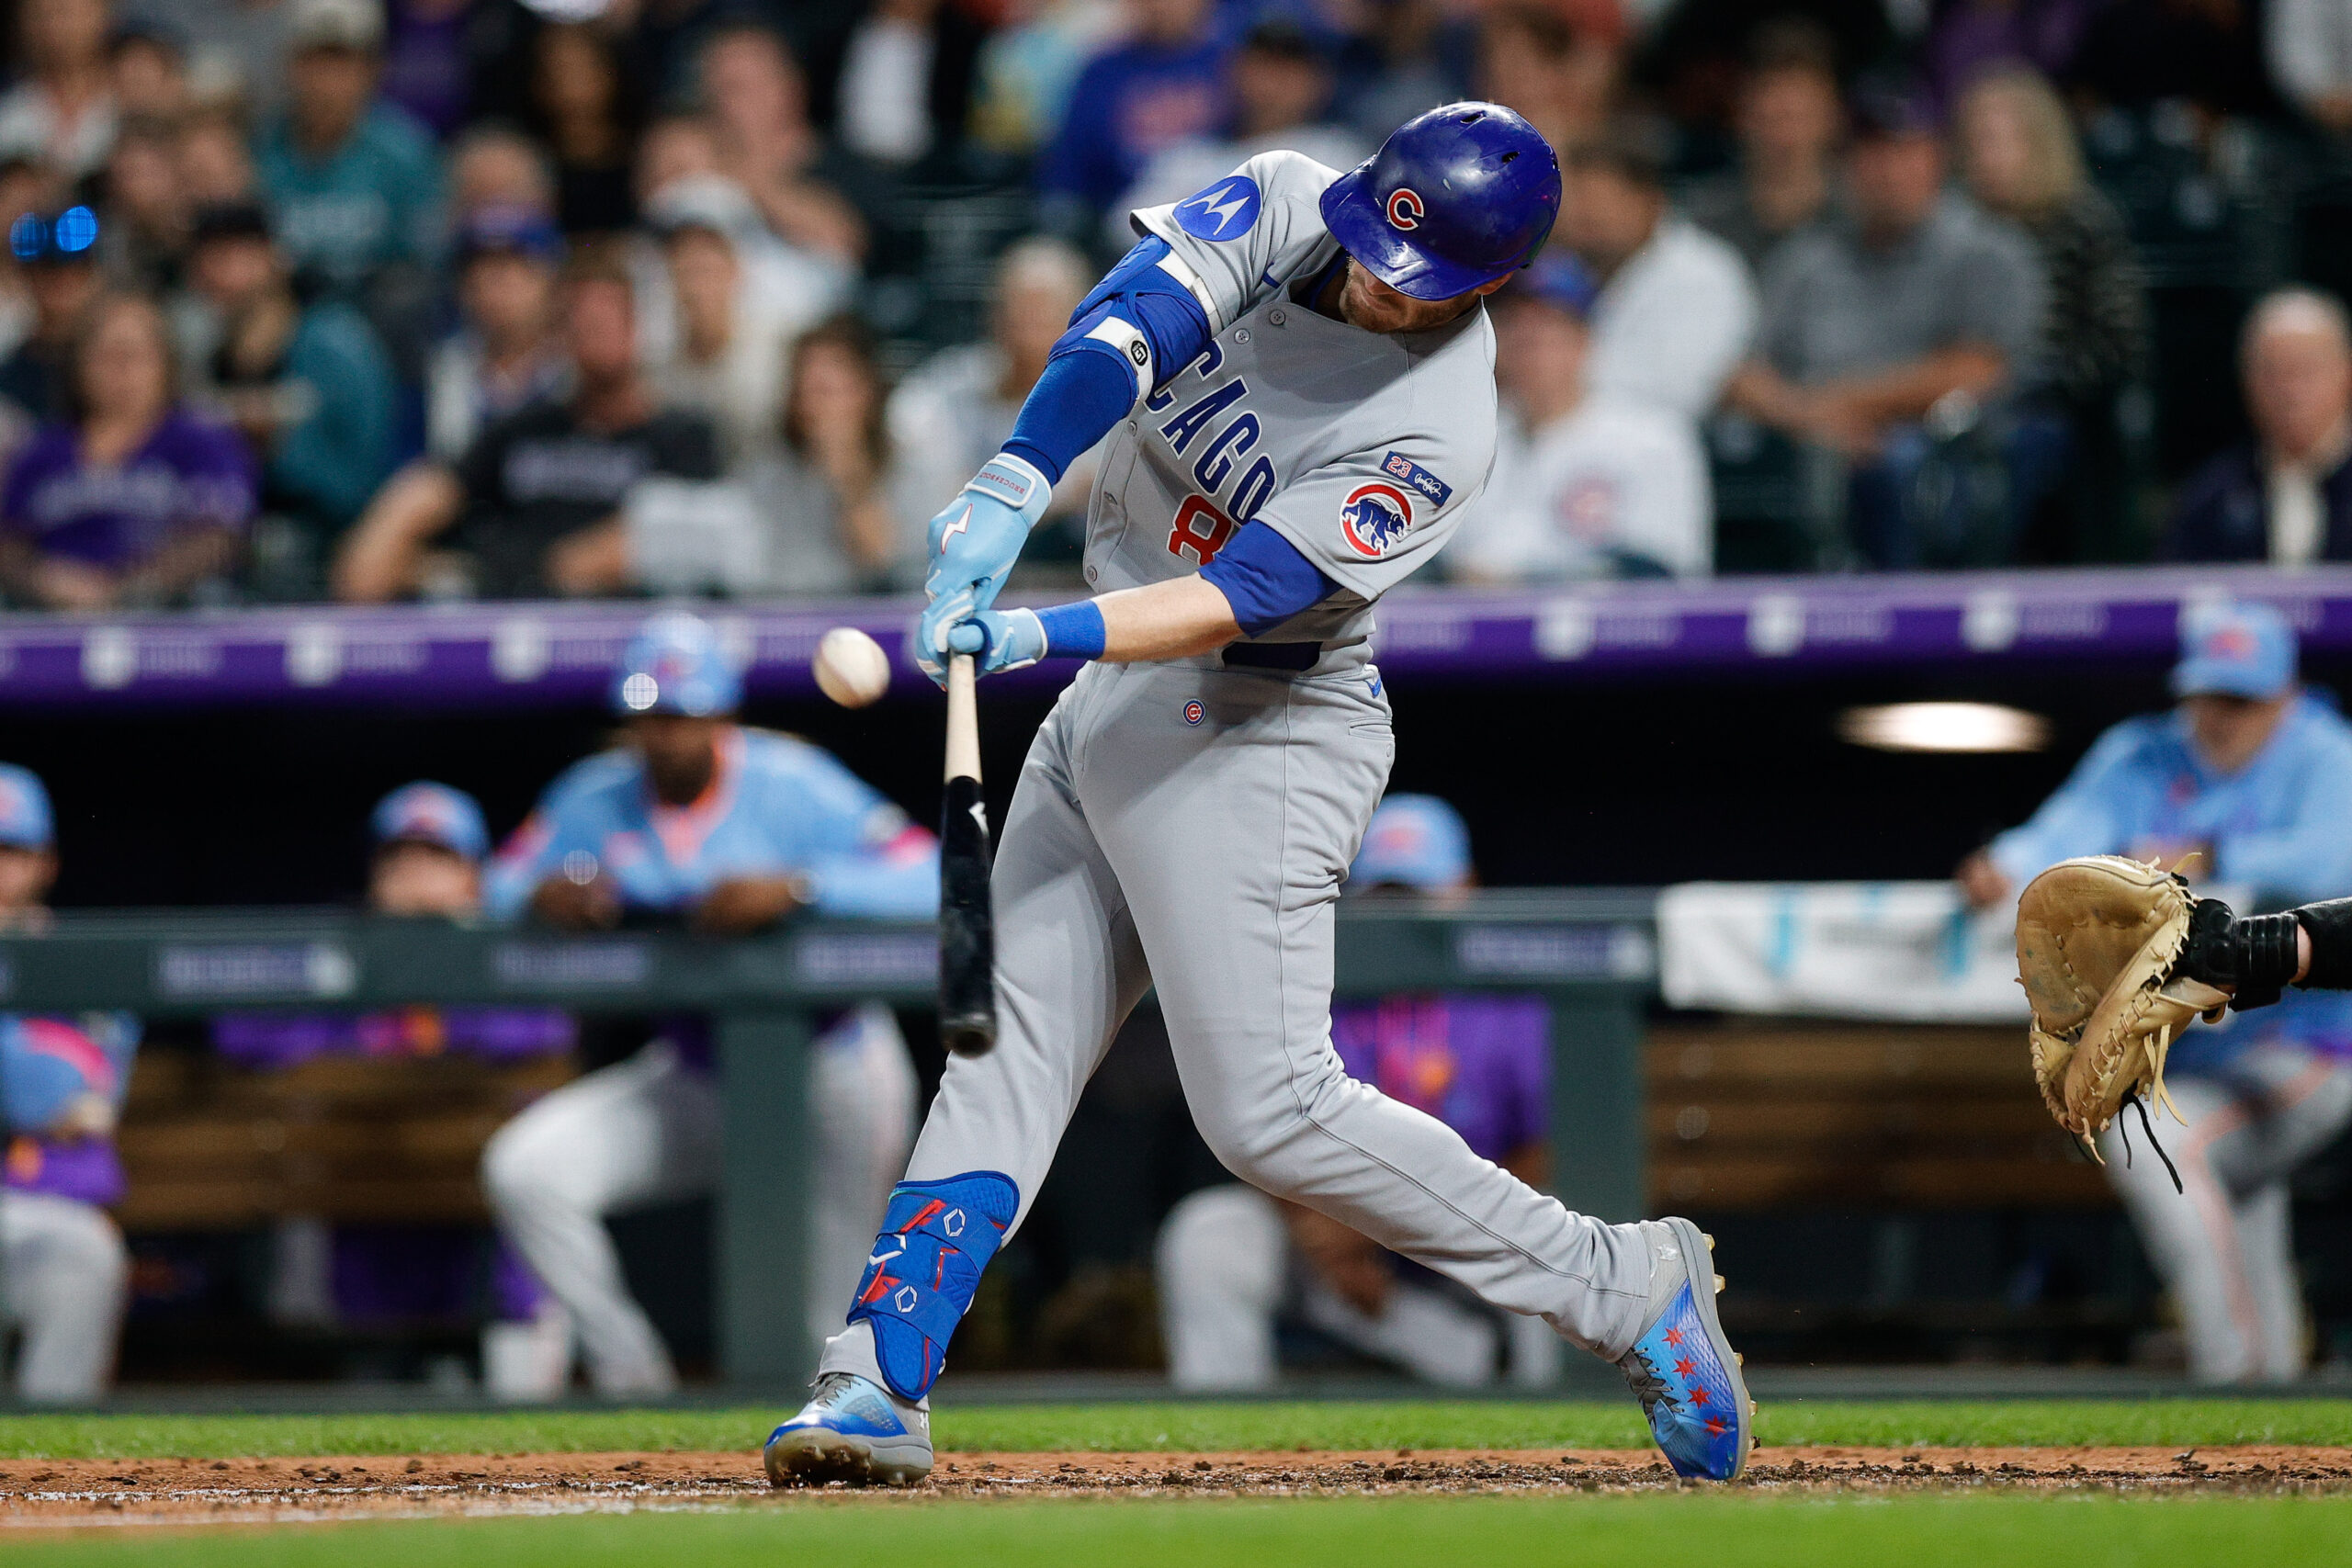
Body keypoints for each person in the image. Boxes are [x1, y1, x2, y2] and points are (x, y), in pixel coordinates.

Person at [763, 103, 1749, 1489]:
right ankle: (877, 1373)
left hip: (1261, 728)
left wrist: (1041, 629)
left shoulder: (1441, 423)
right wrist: (1013, 476)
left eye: (1420, 280)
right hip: (1114, 699)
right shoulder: (1288, 199)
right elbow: (1130, 324)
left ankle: (1626, 1286)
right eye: (1378, 253)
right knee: (1004, 1054)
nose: (1380, 288)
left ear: (1492, 282)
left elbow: (1250, 593)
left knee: (1268, 1111)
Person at [476, 614, 935, 1396]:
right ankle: (634, 1380)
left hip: (831, 1067)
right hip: (695, 1072)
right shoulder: (595, 795)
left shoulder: (790, 780)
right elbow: (494, 884)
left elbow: (928, 873)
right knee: (527, 1170)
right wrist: (538, 893)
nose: (666, 735)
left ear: (723, 715)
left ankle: (839, 1435)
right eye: (650, 715)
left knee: (824, 1318)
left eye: (684, 715)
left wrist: (800, 887)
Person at [1961, 603, 2352, 1383]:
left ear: (2286, 693)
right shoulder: (2140, 753)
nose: (2220, 715)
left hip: (2304, 1044)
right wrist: (2004, 865)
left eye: (2242, 699)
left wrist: (2208, 852)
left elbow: (2333, 867)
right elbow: (2056, 838)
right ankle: (2274, 1395)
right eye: (2209, 694)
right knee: (2226, 1179)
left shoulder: (2326, 752)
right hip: (2192, 1050)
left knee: (2163, 1140)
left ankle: (2235, 1375)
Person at [1158, 794, 1562, 1391]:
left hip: (1469, 1232)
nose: (1400, 915)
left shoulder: (1506, 1001)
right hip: (1334, 1238)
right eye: (1385, 896)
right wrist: (1317, 1219)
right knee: (1210, 1235)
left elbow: (1550, 1149)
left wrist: (1415, 1219)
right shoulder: (1315, 988)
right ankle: (1223, 1433)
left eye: (1417, 896)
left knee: (1555, 1233)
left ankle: (1545, 1415)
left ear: (1465, 888)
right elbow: (1259, 1116)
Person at [209, 783, 575, 1338]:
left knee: (525, 1194)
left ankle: (516, 1365)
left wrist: (446, 1002)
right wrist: (346, 1043)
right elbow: (240, 1034)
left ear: (474, 876)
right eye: (398, 857)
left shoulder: (506, 953)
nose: (415, 873)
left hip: (469, 1187)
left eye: (437, 857)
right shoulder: (341, 953)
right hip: (360, 1183)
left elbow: (544, 1036)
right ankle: (341, 1364)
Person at [1724, 83, 2045, 568]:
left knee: (1906, 460)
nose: (1889, 171)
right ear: (1847, 165)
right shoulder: (1806, 259)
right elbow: (1742, 375)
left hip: (1948, 448)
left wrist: (1843, 406)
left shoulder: (1986, 250)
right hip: (1814, 441)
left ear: (1937, 158)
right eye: (1873, 153)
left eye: (1905, 151)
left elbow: (1979, 370)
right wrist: (1810, 418)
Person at [332, 258, 720, 601]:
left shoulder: (682, 436)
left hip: (620, 626)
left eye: (606, 320)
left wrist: (511, 571)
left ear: (641, 328)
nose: (593, 333)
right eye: (579, 321)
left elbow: (639, 547)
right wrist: (388, 537)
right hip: (511, 618)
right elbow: (434, 490)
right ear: (559, 333)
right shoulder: (523, 430)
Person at [1954, 67, 2146, 563]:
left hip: (2061, 405)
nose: (1986, 157)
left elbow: (2118, 340)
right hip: (1958, 403)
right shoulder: (1952, 233)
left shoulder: (2085, 222)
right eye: (1975, 142)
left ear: (2040, 143)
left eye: (1999, 141)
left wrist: (2036, 382)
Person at [0, 763, 137, 1403]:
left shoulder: (86, 967)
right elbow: (39, 1095)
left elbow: (68, 1098)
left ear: (45, 862)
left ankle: (50, 1449)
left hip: (45, 1213)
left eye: (11, 852)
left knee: (87, 1253)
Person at [1454, 254, 1710, 581]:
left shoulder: (1653, 439)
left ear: (1584, 340)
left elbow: (1659, 571)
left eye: (1545, 328)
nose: (1526, 342)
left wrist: (1521, 583)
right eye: (1512, 325)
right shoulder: (1465, 438)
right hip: (1476, 611)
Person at [183, 199, 396, 582]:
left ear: (274, 257)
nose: (226, 274)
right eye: (211, 258)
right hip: (228, 555)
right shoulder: (200, 356)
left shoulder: (333, 343)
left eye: (239, 254)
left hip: (332, 550)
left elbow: (367, 477)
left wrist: (278, 443)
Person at [0, 291, 255, 609]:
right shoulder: (43, 450)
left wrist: (132, 586)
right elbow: (9, 544)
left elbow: (221, 536)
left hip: (171, 613)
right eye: (106, 356)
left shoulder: (201, 441)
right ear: (78, 366)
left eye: (135, 356)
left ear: (166, 364)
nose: (122, 371)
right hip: (56, 614)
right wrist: (43, 578)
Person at [888, 236, 1098, 542]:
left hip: (1071, 559)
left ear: (1079, 323)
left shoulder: (1103, 393)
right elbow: (907, 420)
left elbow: (1095, 491)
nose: (1025, 330)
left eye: (1041, 313)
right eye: (1016, 311)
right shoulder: (955, 384)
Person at [1555, 124, 1758, 425]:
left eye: (1604, 200)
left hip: (1663, 443)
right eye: (1580, 200)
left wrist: (1559, 378)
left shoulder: (1703, 273)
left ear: (1652, 201)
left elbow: (1680, 392)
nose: (1588, 215)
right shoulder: (1563, 270)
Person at [1109, 21, 1368, 254]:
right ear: (1232, 72)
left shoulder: (1339, 154)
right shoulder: (1191, 156)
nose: (1271, 83)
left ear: (1319, 81)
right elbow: (1124, 228)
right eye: (1261, 65)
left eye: (1287, 69)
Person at [251, 0, 443, 302]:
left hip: (379, 312)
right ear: (290, 66)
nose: (327, 83)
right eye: (315, 63)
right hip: (284, 310)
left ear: (373, 70)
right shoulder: (260, 150)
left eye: (343, 65)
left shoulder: (406, 153)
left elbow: (425, 260)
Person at [2163, 290, 2352, 565]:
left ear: (2346, 373)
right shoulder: (2211, 497)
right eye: (2273, 372)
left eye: (2306, 369)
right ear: (2246, 381)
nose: (2290, 391)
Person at [1038, 0, 1228, 232]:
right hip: (1114, 224)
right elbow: (1069, 170)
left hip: (1215, 220)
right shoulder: (1103, 72)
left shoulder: (1229, 66)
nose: (1161, 6)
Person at [1681, 26, 1845, 273]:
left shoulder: (1863, 223)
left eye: (1797, 118)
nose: (1784, 138)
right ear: (1742, 118)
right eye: (1770, 119)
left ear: (1832, 119)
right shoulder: (1701, 226)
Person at [424, 205, 567, 462]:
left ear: (550, 282)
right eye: (479, 272)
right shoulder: (446, 367)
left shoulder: (577, 365)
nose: (491, 286)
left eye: (509, 270)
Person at [0, 204, 103, 434]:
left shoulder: (112, 361)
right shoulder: (10, 375)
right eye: (49, 270)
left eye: (76, 269)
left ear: (93, 275)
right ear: (26, 278)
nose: (63, 281)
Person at [0, 0, 119, 183]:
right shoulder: (9, 108)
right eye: (39, 14)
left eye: (64, 12)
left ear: (102, 14)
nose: (52, 25)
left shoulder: (135, 101)